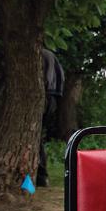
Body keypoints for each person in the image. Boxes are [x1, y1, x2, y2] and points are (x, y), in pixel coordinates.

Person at [36, 48, 64, 187]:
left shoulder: (36, 54)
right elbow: (61, 76)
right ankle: (41, 175)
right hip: (52, 96)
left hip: (43, 94)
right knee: (38, 136)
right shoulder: (51, 55)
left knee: (36, 136)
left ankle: (41, 175)